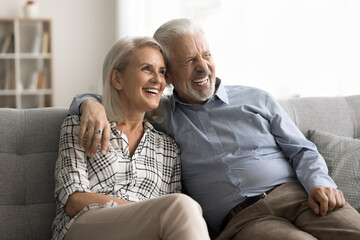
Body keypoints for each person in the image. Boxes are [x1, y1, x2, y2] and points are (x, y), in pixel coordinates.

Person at [69, 19, 360, 239]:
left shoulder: (255, 98)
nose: (203, 67)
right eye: (189, 60)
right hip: (245, 221)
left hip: (298, 195)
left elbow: (301, 149)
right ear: (168, 76)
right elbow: (120, 96)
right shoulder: (161, 113)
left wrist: (321, 182)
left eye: (206, 55)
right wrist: (88, 104)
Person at [52, 36, 210, 240]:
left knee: (182, 208)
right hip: (82, 227)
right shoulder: (80, 125)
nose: (158, 80)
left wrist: (151, 216)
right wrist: (149, 213)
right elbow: (73, 201)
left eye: (162, 72)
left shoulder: (168, 148)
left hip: (145, 232)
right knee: (181, 206)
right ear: (117, 79)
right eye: (147, 69)